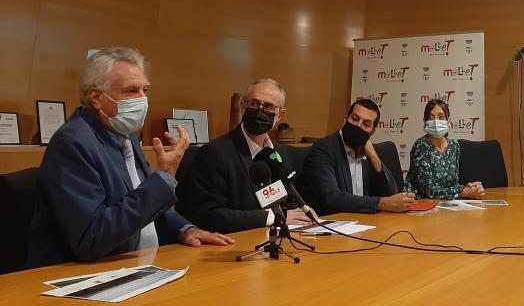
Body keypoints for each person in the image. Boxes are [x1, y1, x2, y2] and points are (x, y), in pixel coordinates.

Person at [26, 47, 234, 269]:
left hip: (137, 264)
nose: (142, 99)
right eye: (131, 91)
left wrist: (185, 229)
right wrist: (163, 178)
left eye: (146, 90)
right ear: (96, 97)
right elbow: (92, 239)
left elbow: (142, 205)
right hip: (76, 275)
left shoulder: (125, 136)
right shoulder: (72, 144)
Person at [176, 78, 313, 233]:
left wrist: (303, 213)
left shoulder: (280, 152)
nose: (259, 111)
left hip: (278, 237)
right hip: (235, 241)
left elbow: (287, 201)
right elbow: (209, 215)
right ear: (243, 106)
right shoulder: (215, 153)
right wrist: (272, 217)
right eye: (254, 103)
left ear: (280, 114)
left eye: (268, 106)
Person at [298, 99, 415, 216]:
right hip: (332, 222)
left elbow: (392, 195)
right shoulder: (323, 150)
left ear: (372, 132)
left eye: (366, 124)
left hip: (365, 221)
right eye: (355, 119)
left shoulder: (369, 153)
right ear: (345, 120)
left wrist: (373, 156)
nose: (358, 126)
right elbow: (332, 198)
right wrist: (380, 203)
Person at [404, 99, 485, 200]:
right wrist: (463, 193)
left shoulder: (454, 146)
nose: (436, 121)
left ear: (448, 121)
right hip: (421, 203)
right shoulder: (421, 146)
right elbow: (428, 191)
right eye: (431, 117)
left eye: (441, 117)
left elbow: (452, 185)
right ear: (425, 121)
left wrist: (470, 188)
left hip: (446, 203)